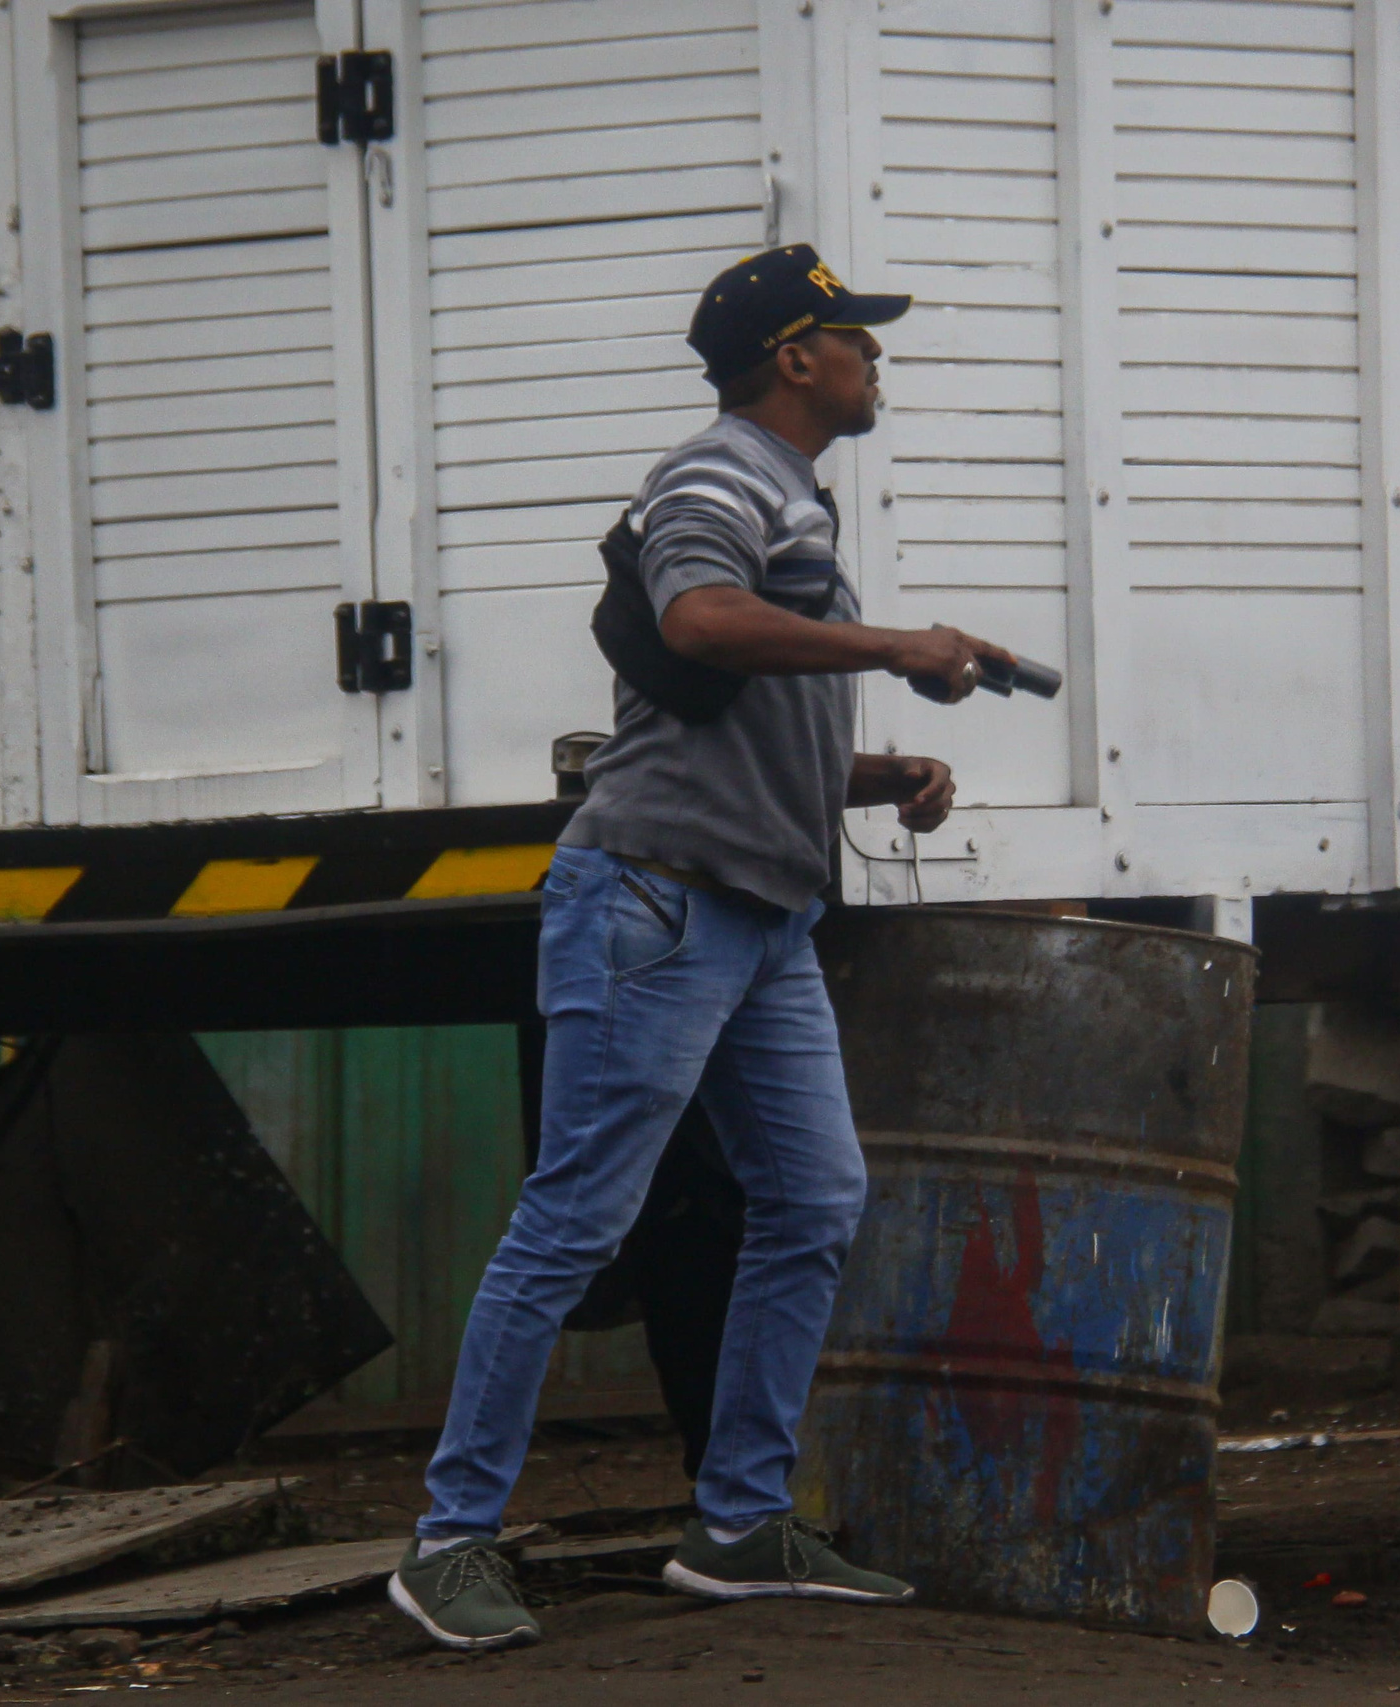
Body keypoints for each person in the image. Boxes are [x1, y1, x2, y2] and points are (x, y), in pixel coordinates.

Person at [389, 244, 1011, 1651]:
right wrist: (897, 643)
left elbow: (734, 701)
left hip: (760, 911)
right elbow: (700, 621)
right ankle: (449, 1538)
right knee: (576, 1218)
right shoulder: (718, 476)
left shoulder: (792, 499)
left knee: (814, 1198)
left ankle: (736, 1522)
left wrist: (879, 766)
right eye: (852, 337)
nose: (872, 357)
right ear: (794, 357)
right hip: (656, 899)